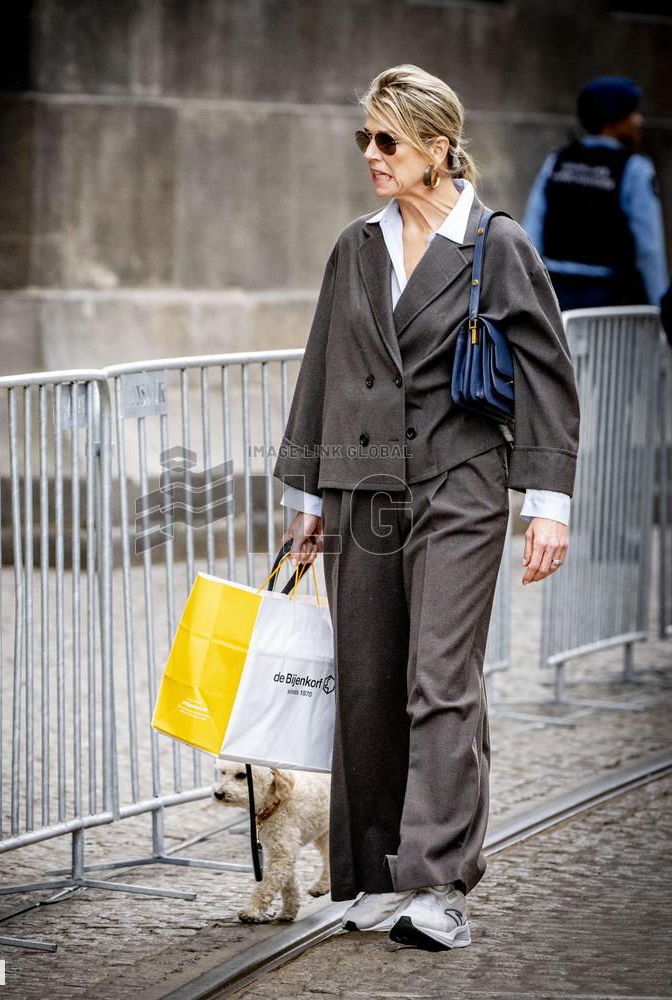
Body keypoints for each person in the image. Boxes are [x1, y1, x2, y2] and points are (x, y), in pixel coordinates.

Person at [272, 64, 580, 951]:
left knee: (439, 681)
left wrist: (547, 501)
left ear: (437, 149)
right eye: (364, 139)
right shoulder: (355, 246)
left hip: (461, 482)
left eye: (387, 141)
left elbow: (547, 376)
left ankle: (437, 883)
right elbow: (323, 363)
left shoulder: (495, 244)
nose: (370, 156)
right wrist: (307, 494)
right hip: (361, 490)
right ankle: (372, 875)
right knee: (366, 681)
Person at [523, 75, 668, 312]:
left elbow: (530, 234)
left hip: (556, 294)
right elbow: (649, 249)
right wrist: (662, 307)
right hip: (611, 299)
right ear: (614, 121)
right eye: (632, 113)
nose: (639, 120)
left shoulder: (558, 161)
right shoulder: (635, 168)